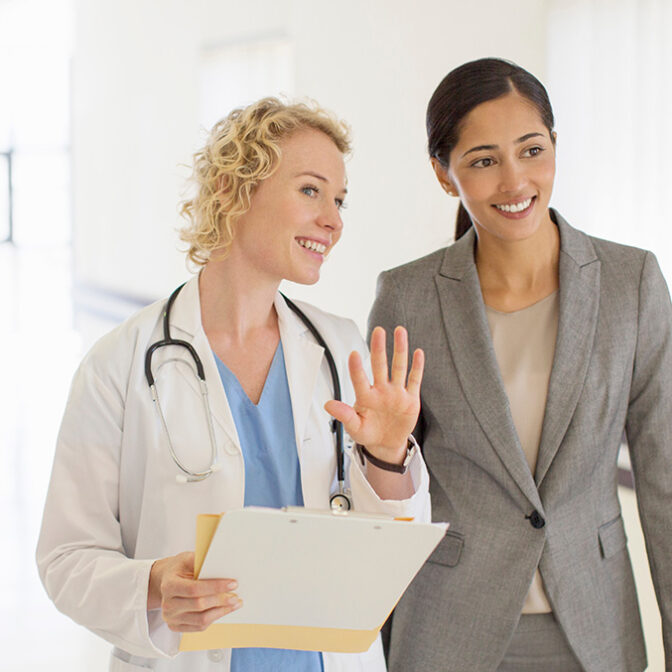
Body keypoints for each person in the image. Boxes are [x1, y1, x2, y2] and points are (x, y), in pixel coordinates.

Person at [37, 97, 430, 672]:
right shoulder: (118, 363)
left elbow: (384, 555)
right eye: (311, 190)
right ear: (231, 188)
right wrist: (152, 583)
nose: (334, 220)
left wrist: (390, 456)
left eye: (340, 200)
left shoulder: (341, 347)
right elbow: (65, 559)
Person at [369, 58, 672, 672]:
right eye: (483, 160)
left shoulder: (631, 283)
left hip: (593, 629)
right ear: (444, 174)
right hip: (448, 628)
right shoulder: (407, 296)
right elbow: (386, 489)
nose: (514, 180)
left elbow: (666, 479)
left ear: (555, 146)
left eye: (531, 150)